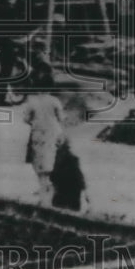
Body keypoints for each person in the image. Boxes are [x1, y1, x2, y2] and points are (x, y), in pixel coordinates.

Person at [22, 71, 66, 205]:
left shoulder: (32, 101)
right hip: (54, 132)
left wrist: (34, 121)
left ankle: (44, 189)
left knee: (38, 161)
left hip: (38, 133)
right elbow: (61, 118)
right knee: (51, 158)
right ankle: (48, 186)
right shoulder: (54, 101)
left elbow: (26, 119)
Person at [50, 138, 89, 213]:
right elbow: (78, 175)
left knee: (59, 210)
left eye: (57, 143)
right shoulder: (71, 158)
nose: (56, 145)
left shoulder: (60, 156)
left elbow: (55, 173)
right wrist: (83, 187)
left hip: (64, 190)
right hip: (71, 190)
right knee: (71, 210)